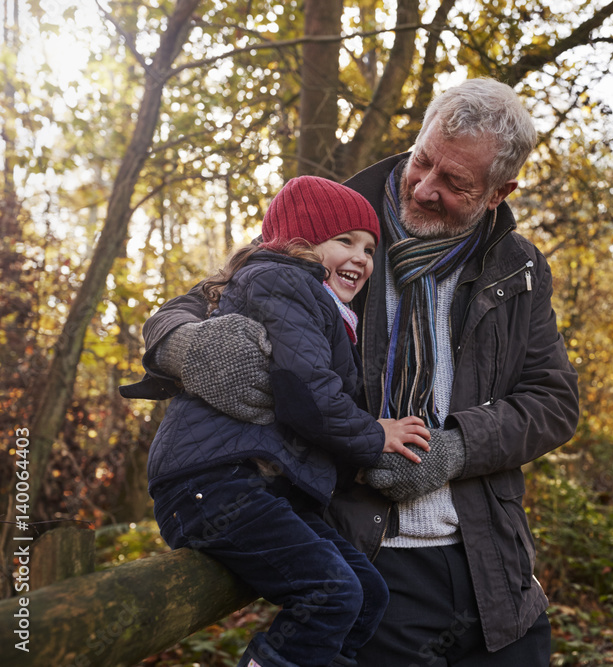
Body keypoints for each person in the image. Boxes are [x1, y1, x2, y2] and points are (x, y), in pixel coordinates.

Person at [123, 78, 580, 665]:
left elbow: (554, 400)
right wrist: (186, 348)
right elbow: (197, 302)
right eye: (423, 161)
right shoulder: (333, 219)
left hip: (493, 568)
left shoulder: (518, 268)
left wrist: (455, 448)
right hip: (370, 552)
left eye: (455, 183)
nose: (425, 188)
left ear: (498, 193)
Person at [142, 176, 430, 667]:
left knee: (367, 593)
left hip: (260, 488)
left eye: (368, 248)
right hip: (211, 484)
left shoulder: (325, 307)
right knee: (332, 593)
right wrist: (374, 435)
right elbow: (307, 393)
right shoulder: (284, 282)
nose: (361, 257)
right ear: (301, 242)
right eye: (345, 241)